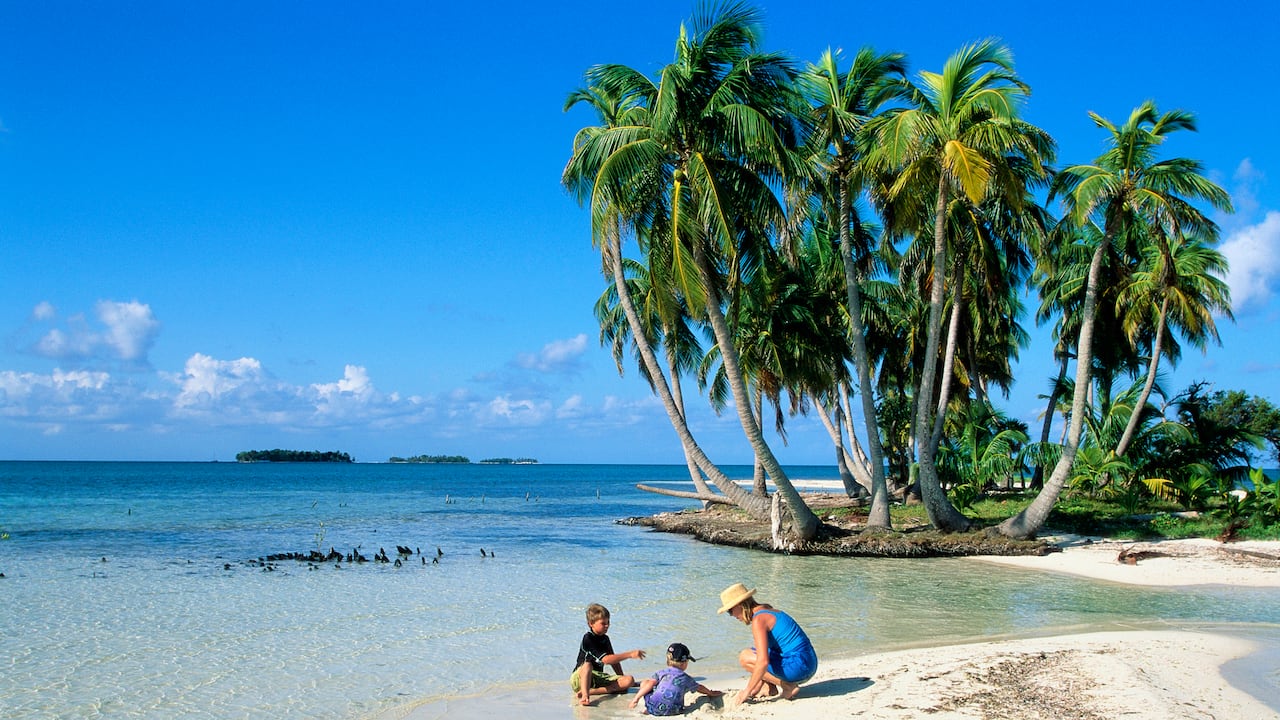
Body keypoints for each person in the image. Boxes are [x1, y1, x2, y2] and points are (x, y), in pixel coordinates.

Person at [717, 582, 817, 703]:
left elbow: (763, 662)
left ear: (740, 605)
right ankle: (768, 687)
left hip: (799, 667)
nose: (731, 615)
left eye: (730, 611)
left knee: (745, 657)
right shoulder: (766, 609)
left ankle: (788, 687)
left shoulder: (759, 620)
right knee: (758, 650)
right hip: (810, 663)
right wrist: (758, 683)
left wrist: (747, 691)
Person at [571, 603, 646, 706]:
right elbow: (606, 660)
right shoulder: (588, 638)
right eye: (603, 623)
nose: (607, 626)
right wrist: (630, 654)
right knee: (587, 665)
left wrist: (621, 678)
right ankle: (585, 695)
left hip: (597, 678)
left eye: (608, 622)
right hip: (580, 677)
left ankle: (594, 691)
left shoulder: (606, 639)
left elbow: (614, 662)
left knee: (629, 680)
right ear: (591, 624)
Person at [629, 642, 723, 715]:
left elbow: (649, 684)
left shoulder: (661, 673)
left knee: (646, 682)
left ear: (668, 660)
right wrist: (710, 693)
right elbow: (699, 688)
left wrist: (636, 699)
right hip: (676, 710)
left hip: (654, 709)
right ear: (684, 663)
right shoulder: (686, 678)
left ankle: (647, 710)